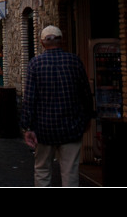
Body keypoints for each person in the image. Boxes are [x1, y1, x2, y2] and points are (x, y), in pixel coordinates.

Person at [20, 26, 94, 187]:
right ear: (62, 41)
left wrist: (27, 126)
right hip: (71, 127)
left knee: (42, 171)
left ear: (42, 43)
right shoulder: (74, 61)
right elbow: (85, 93)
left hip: (44, 129)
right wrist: (88, 117)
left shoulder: (35, 64)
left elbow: (29, 98)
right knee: (70, 172)